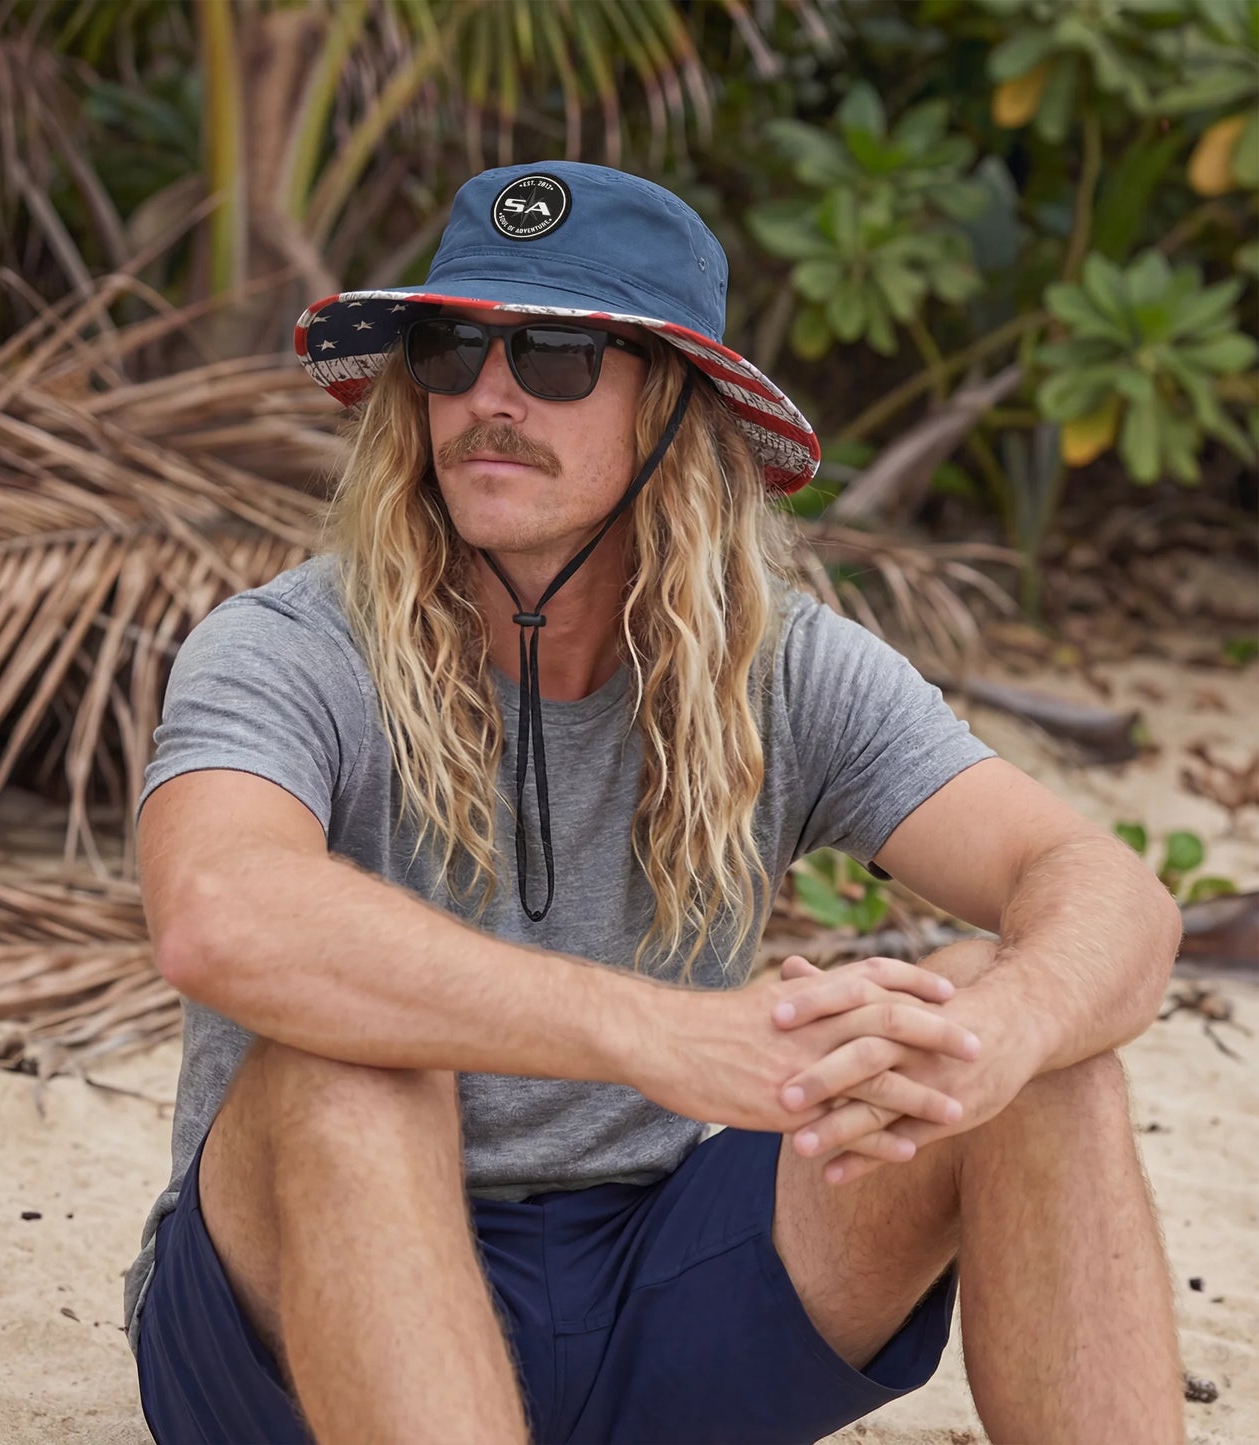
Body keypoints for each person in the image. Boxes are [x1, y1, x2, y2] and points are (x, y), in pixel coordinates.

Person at [125, 161, 1184, 1445]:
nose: (488, 395)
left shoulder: (779, 662)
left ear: (678, 408)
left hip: (661, 1282)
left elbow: (1099, 882)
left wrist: (1008, 1029)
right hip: (297, 1322)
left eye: (559, 354)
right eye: (451, 348)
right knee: (350, 1081)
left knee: (1013, 1050)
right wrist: (657, 1035)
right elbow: (218, 914)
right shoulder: (285, 647)